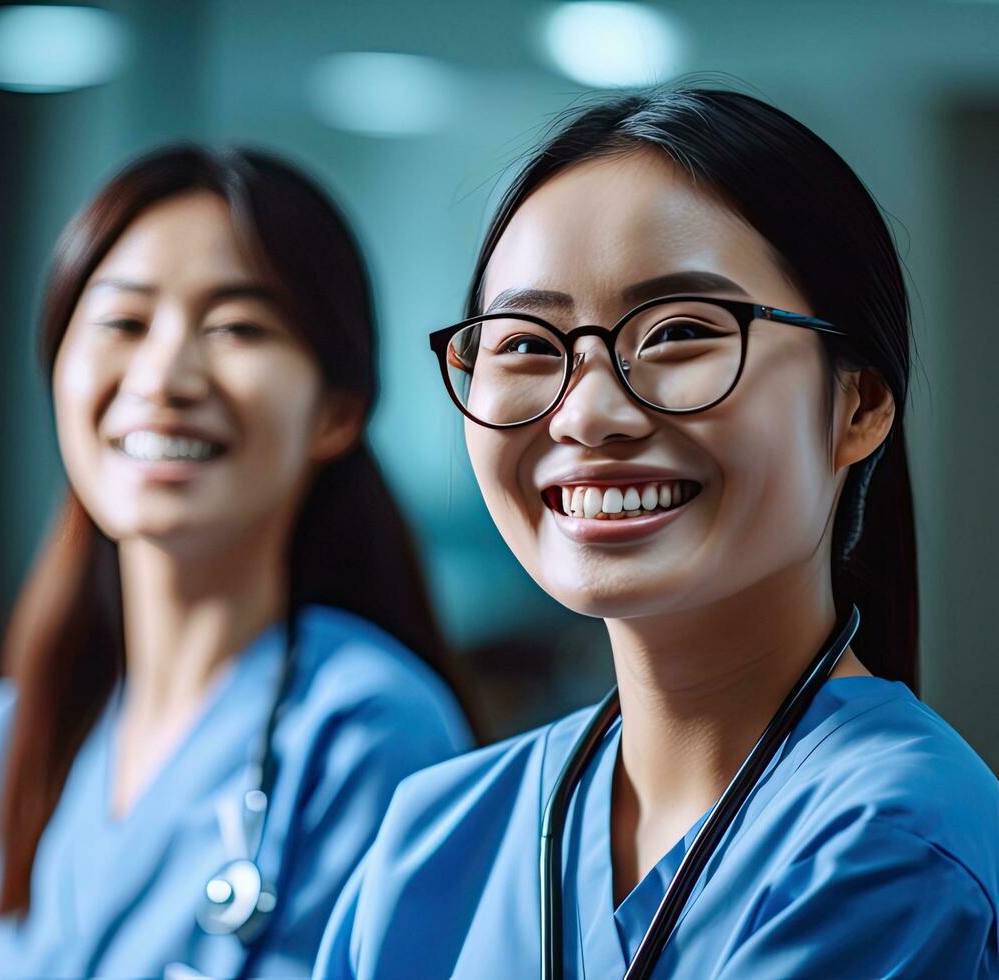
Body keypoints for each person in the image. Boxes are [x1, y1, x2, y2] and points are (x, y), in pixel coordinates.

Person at [317, 88, 999, 978]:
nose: (588, 414)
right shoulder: (436, 833)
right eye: (525, 344)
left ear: (858, 404)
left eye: (679, 331)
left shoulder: (890, 835)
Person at [0, 146, 474, 979]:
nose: (165, 376)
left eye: (238, 327)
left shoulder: (365, 733)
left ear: (337, 410)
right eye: (123, 323)